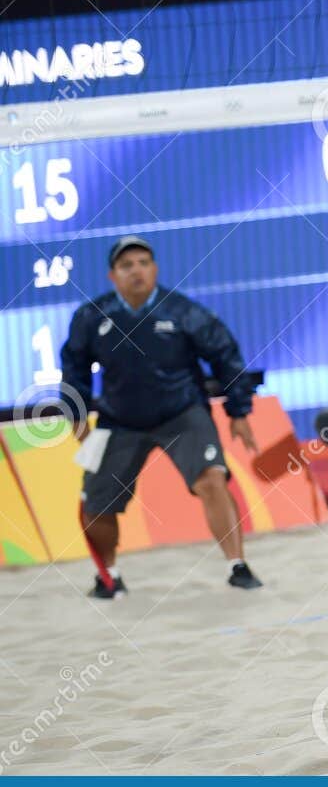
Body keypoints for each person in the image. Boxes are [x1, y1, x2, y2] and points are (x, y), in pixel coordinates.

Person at [61, 237, 265, 598]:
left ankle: (238, 567)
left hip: (181, 414)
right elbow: (74, 366)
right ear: (113, 275)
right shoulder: (92, 317)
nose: (136, 270)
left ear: (154, 269)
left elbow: (226, 354)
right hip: (119, 420)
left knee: (212, 481)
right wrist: (76, 413)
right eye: (127, 265)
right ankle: (109, 577)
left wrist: (239, 411)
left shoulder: (184, 312)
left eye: (143, 262)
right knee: (95, 504)